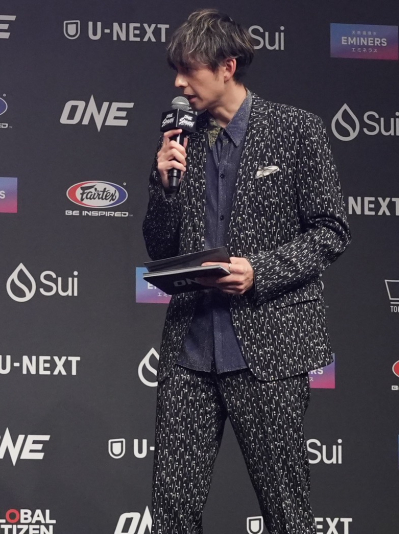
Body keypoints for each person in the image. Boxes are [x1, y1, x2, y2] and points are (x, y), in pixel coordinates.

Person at [142, 9, 350, 534]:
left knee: (286, 510)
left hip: (269, 348)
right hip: (189, 352)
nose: (178, 83)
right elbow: (160, 245)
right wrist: (163, 187)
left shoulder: (296, 130)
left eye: (189, 70)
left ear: (227, 66)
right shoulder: (179, 140)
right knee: (172, 512)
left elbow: (331, 230)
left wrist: (260, 270)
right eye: (176, 70)